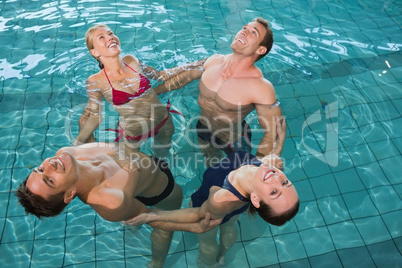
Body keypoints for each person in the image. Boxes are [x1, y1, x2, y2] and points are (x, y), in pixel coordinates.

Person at [122, 117, 300, 267]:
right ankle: (223, 255)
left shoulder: (220, 198)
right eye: (286, 182)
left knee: (207, 240)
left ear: (255, 199)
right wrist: (280, 137)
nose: (276, 179)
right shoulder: (270, 168)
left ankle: (209, 262)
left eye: (274, 192)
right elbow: (274, 155)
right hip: (236, 207)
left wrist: (150, 216)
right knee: (229, 226)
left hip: (212, 210)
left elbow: (196, 214)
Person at [15, 143, 217, 268]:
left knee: (130, 213)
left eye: (40, 169)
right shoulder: (110, 200)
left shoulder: (66, 153)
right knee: (157, 228)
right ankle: (157, 263)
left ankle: (130, 220)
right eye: (50, 180)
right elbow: (151, 216)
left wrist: (128, 163)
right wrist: (192, 226)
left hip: (144, 177)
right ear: (69, 194)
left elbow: (117, 148)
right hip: (159, 192)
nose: (50, 165)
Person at [155, 17, 281, 164]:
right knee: (211, 165)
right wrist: (153, 93)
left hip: (233, 141)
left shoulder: (261, 87)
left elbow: (274, 132)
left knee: (235, 181)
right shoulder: (214, 61)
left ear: (260, 49)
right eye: (244, 28)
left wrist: (258, 166)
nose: (244, 32)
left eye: (253, 32)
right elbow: (185, 77)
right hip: (202, 127)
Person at [74, 24, 204, 157]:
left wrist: (191, 65)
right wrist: (76, 144)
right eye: (101, 37)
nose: (110, 38)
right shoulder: (96, 81)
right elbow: (96, 117)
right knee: (130, 167)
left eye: (111, 33)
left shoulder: (132, 60)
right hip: (133, 133)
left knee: (162, 157)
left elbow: (160, 75)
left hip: (163, 121)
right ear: (95, 52)